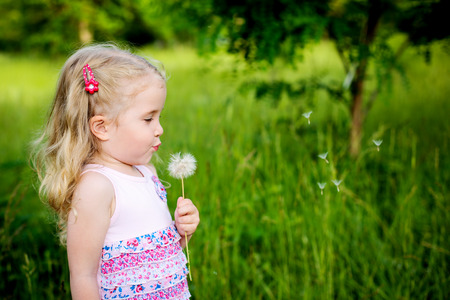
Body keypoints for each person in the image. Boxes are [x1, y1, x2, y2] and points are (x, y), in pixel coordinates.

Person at [33, 44, 200, 299]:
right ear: (102, 127)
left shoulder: (147, 172)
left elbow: (156, 259)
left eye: (159, 117)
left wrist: (180, 231)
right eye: (148, 119)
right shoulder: (97, 187)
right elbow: (83, 276)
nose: (159, 129)